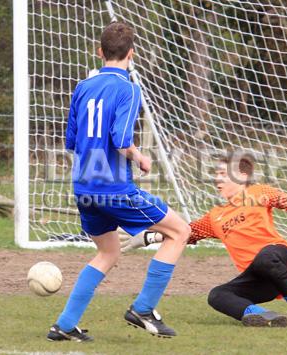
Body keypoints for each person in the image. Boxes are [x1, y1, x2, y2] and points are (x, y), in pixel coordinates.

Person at [47, 22, 190, 342]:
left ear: (100, 52)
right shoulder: (128, 88)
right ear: (132, 54)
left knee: (108, 253)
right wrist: (139, 157)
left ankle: (65, 324)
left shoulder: (83, 85)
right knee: (180, 231)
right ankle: (143, 308)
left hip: (83, 187)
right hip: (113, 188)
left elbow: (70, 140)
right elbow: (121, 139)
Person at [122, 154, 287, 328]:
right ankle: (263, 316)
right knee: (217, 295)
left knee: (264, 257)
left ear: (242, 176)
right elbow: (186, 233)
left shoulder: (258, 192)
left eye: (222, 174)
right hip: (259, 278)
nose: (217, 179)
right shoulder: (215, 216)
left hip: (280, 258)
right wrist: (148, 236)